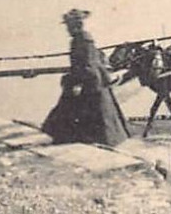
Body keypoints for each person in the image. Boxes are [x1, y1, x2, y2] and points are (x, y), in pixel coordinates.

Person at [40, 9, 131, 145]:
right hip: (90, 79)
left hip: (89, 81)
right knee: (92, 111)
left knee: (81, 109)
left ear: (75, 25)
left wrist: (79, 84)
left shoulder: (82, 40)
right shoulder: (81, 39)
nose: (67, 29)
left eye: (68, 25)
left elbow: (88, 63)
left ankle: (86, 139)